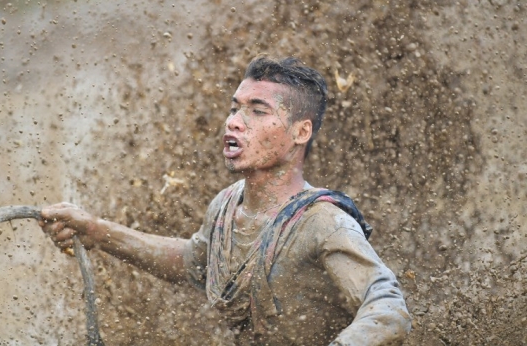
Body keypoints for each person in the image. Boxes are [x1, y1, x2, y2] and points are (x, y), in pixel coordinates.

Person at [39, 56, 411, 345]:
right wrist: (97, 232)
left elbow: (388, 310)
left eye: (257, 111)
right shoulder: (226, 205)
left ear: (301, 131)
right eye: (235, 108)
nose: (234, 121)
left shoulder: (324, 222)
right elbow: (193, 262)